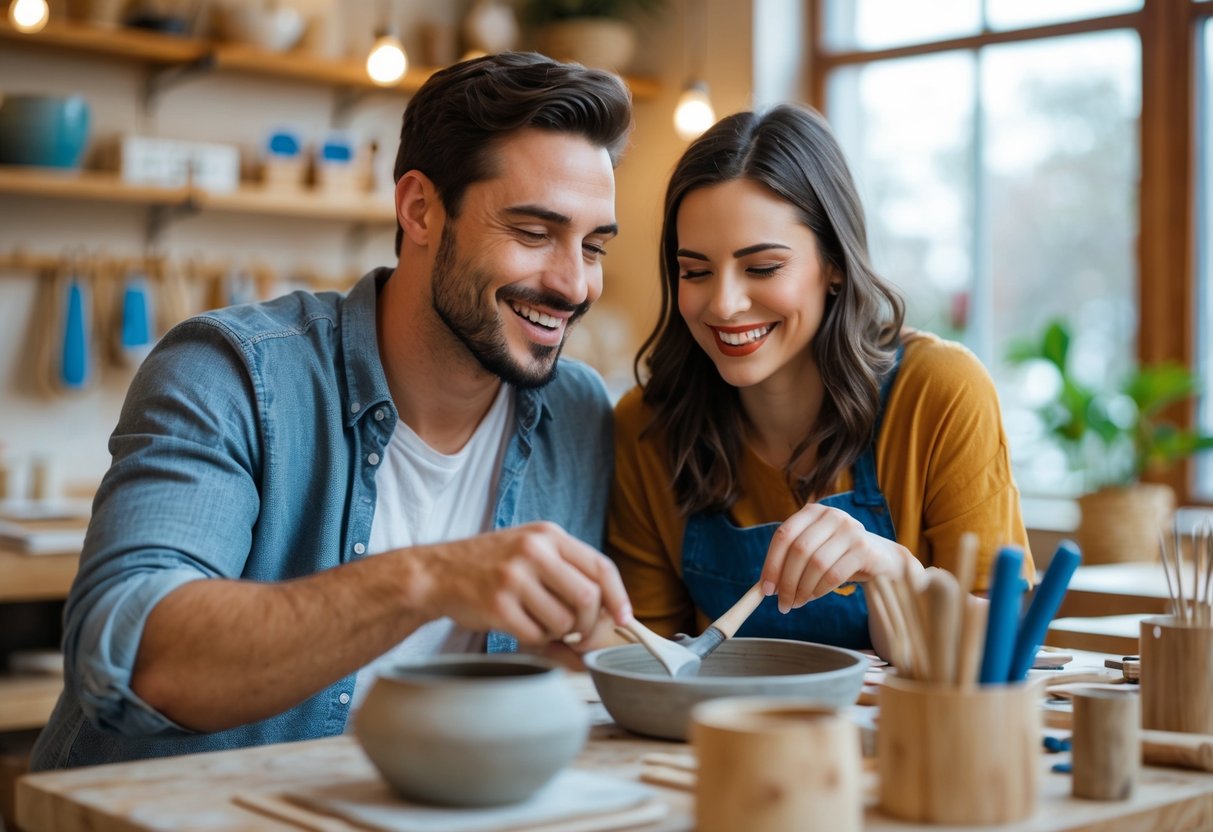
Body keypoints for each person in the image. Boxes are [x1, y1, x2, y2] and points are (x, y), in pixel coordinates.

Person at [32, 52, 636, 771]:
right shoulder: (231, 373)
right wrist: (428, 579)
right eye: (534, 233)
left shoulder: (581, 414)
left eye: (593, 245)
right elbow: (134, 659)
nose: (573, 283)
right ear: (418, 208)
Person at [608, 104, 1034, 653]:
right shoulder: (648, 428)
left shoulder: (939, 390)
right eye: (695, 271)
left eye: (762, 268)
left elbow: (1002, 648)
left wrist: (893, 574)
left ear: (833, 264)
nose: (725, 303)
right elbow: (649, 658)